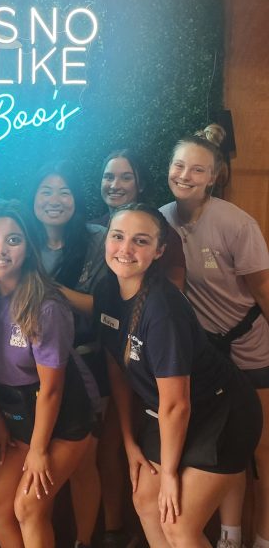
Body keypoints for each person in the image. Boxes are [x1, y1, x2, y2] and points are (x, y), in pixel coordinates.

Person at [96, 203, 262, 547]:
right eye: (118, 236)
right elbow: (119, 370)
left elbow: (177, 405)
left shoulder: (162, 310)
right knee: (145, 501)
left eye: (140, 241)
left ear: (159, 251)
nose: (125, 249)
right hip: (174, 413)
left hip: (222, 414)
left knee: (177, 524)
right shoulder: (106, 292)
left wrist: (169, 474)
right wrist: (129, 445)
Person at [160, 125, 269, 548]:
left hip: (250, 345)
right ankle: (230, 535)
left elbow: (262, 289)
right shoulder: (162, 219)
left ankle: (262, 536)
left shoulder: (236, 223)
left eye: (198, 169)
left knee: (261, 448)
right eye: (179, 165)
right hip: (204, 354)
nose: (185, 175)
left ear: (214, 177)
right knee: (227, 447)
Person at [0, 200, 94, 548]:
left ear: (29, 248)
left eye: (13, 240)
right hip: (17, 415)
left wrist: (39, 451)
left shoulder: (46, 306)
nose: (0, 249)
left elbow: (53, 391)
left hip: (63, 419)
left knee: (27, 507)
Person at [30, 161, 105, 548]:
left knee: (83, 463)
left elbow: (105, 307)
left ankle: (85, 540)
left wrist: (49, 287)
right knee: (41, 459)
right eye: (45, 191)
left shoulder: (98, 240)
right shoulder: (23, 239)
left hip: (87, 362)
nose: (55, 200)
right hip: (36, 369)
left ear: (76, 199)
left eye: (64, 191)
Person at [98, 149, 186, 291]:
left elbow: (176, 295)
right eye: (108, 177)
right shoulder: (92, 229)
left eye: (126, 178)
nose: (114, 185)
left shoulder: (164, 234)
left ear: (142, 185)